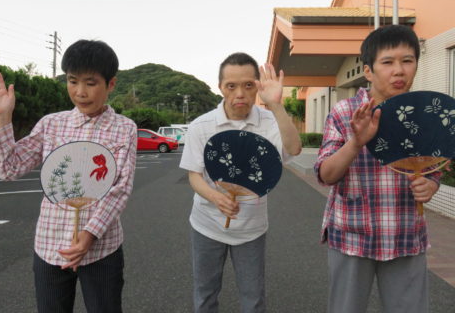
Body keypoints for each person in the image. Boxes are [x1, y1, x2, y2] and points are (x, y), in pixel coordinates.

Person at [0, 40, 137, 312]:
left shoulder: (125, 129)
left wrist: (90, 234)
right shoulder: (52, 124)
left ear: (111, 84)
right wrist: (3, 118)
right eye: (73, 81)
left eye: (91, 83)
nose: (80, 92)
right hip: (50, 245)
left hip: (102, 249)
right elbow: (9, 169)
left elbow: (120, 188)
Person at [315, 25, 440, 313]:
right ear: (368, 71)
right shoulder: (344, 113)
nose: (399, 70)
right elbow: (325, 174)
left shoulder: (424, 115)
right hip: (351, 234)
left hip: (406, 233)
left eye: (407, 61)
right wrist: (356, 142)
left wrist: (432, 183)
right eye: (388, 62)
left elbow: (434, 165)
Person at [180, 52, 302, 312]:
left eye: (249, 85)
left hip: (251, 227)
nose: (240, 93)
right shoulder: (201, 126)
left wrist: (277, 106)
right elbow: (194, 175)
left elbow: (294, 149)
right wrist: (216, 197)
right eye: (231, 86)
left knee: (253, 296)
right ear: (220, 87)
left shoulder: (270, 121)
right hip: (206, 223)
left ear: (258, 86)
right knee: (205, 293)